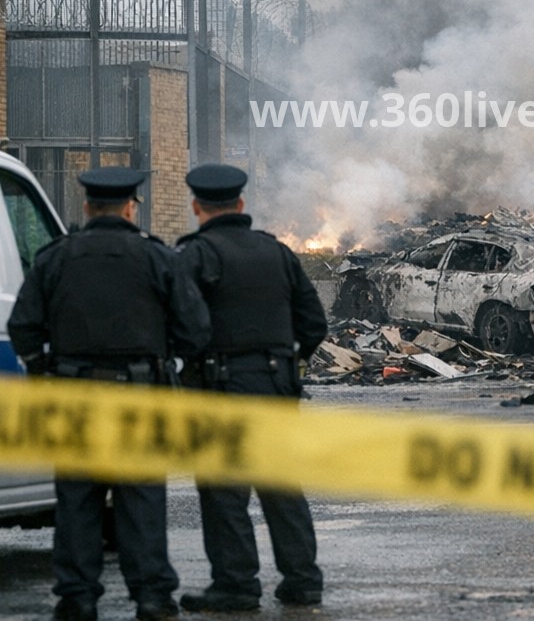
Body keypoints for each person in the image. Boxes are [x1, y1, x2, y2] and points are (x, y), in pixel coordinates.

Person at [8, 167, 211, 621]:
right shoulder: (157, 258)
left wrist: (46, 372)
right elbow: (195, 330)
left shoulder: (56, 257)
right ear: (130, 207)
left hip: (75, 397)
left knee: (77, 501)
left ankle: (77, 598)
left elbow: (22, 325)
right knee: (141, 501)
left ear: (86, 207)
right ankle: (153, 598)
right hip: (139, 397)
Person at [176, 164, 327, 613]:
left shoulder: (194, 254)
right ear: (241, 205)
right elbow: (314, 323)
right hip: (278, 385)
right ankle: (303, 581)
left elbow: (183, 324)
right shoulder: (277, 252)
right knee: (282, 487)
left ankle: (236, 586)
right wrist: (284, 364)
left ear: (197, 206)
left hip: (220, 387)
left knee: (225, 491)